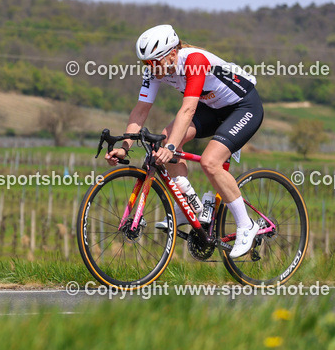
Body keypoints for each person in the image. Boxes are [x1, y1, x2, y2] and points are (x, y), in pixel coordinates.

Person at [105, 24, 264, 259]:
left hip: (242, 107)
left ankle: (247, 226)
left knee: (210, 162)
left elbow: (188, 109)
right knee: (162, 142)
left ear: (171, 53)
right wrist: (124, 146)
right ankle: (186, 207)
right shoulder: (155, 69)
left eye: (154, 62)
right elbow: (140, 111)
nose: (150, 68)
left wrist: (171, 148)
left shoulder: (194, 61)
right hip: (211, 108)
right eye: (145, 64)